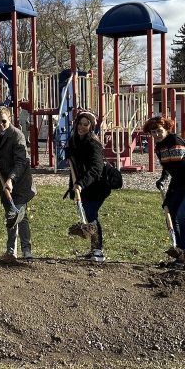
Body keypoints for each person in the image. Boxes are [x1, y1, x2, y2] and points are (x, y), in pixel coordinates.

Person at [142, 115, 185, 269]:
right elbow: (169, 166)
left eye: (159, 130)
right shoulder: (159, 147)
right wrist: (163, 179)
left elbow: (180, 172)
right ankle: (180, 254)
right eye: (153, 132)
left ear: (166, 129)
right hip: (183, 182)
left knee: (183, 215)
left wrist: (170, 194)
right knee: (172, 214)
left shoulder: (174, 141)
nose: (156, 135)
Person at [0, 106, 36, 260]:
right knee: (11, 215)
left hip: (21, 181)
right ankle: (11, 252)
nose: (0, 125)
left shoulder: (17, 136)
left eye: (3, 121)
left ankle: (25, 251)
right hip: (4, 178)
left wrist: (11, 179)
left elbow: (21, 162)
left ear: (10, 119)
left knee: (17, 215)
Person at [67, 110, 111, 263]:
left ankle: (98, 251)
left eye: (86, 125)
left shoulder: (93, 143)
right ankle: (94, 250)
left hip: (97, 185)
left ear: (91, 126)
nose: (82, 127)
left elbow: (96, 169)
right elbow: (73, 164)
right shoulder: (74, 141)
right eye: (80, 123)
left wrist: (80, 183)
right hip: (83, 186)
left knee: (91, 215)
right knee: (88, 214)